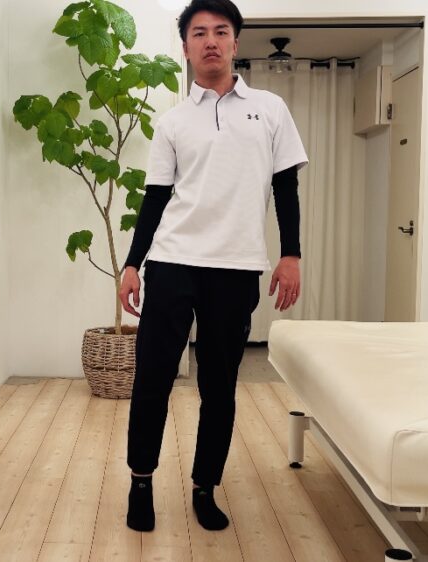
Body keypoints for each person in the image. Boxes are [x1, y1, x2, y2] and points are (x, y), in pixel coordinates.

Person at [118, 0, 309, 533]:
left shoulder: (270, 109)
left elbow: (285, 188)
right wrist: (133, 263)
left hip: (236, 267)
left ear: (235, 43)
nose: (210, 41)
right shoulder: (174, 120)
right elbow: (156, 198)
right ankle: (140, 482)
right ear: (185, 47)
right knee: (153, 379)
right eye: (199, 33)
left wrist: (291, 254)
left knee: (219, 387)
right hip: (172, 262)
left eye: (220, 31)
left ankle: (205, 487)